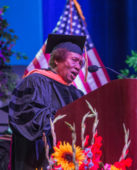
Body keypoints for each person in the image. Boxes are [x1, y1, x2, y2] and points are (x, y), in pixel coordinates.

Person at [8, 34, 86, 170]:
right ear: (57, 59)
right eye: (74, 60)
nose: (78, 66)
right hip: (37, 160)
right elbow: (26, 119)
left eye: (80, 63)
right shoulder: (36, 81)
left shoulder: (77, 94)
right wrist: (64, 119)